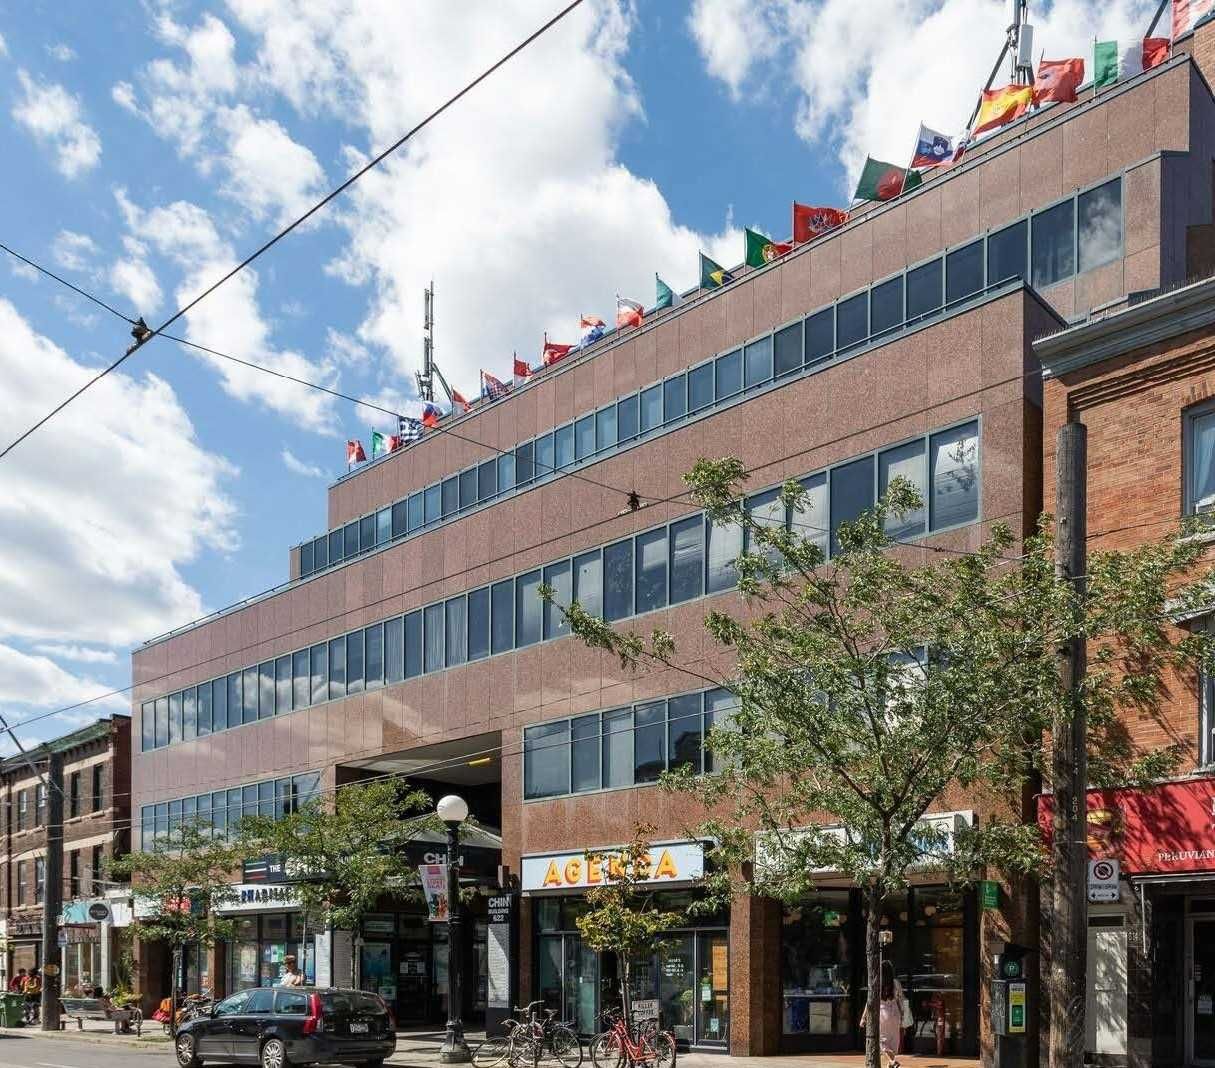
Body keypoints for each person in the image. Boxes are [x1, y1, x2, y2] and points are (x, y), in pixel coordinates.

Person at [860, 961, 907, 1068]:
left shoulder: (877, 983)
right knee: (892, 1043)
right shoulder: (896, 983)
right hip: (895, 1014)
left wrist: (863, 1018)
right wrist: (902, 1016)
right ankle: (891, 1063)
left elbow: (870, 1002)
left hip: (883, 1014)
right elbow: (900, 1000)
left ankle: (892, 1062)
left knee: (882, 1042)